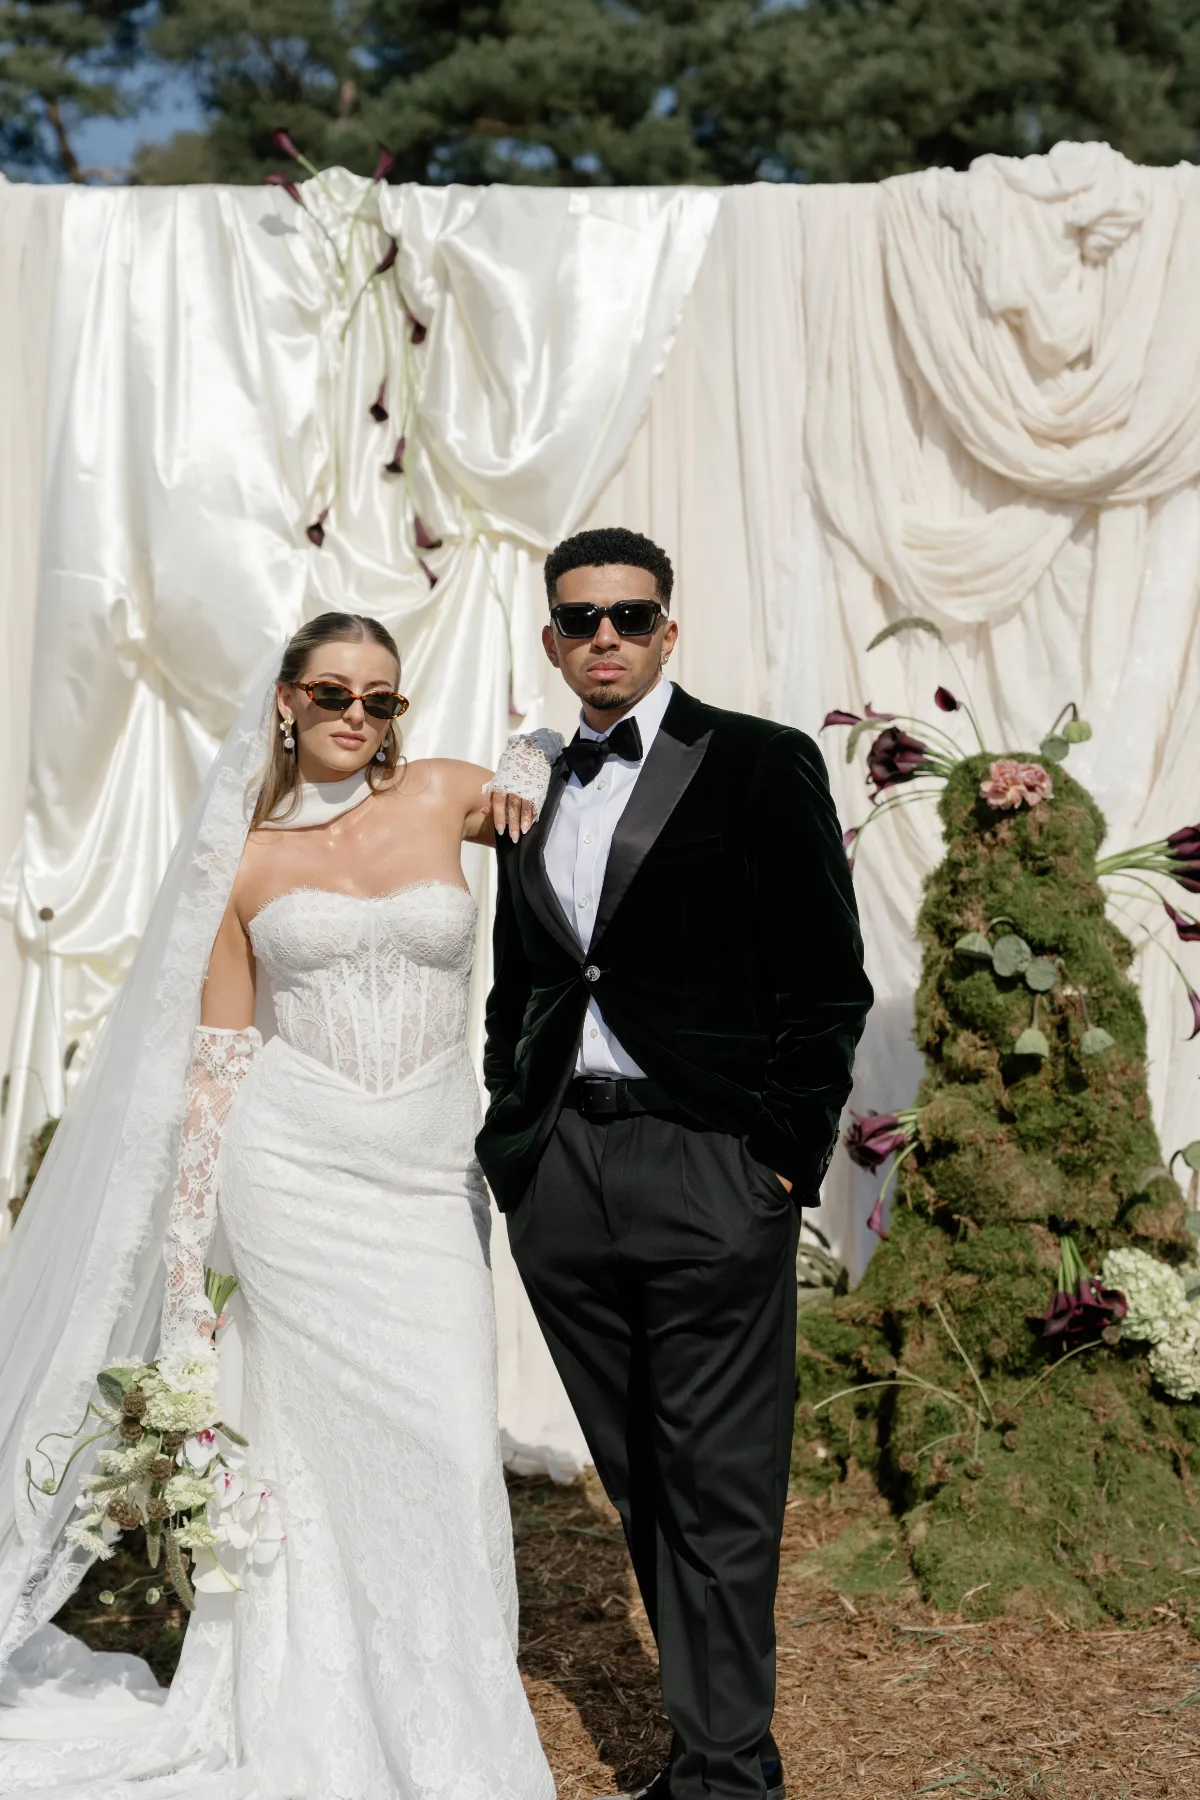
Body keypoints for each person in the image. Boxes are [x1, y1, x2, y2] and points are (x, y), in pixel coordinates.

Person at [0, 611, 558, 1800]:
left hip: (423, 1176)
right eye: (335, 693)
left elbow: (548, 746)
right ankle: (324, 1713)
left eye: (382, 698)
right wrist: (191, 1270)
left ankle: (451, 1728)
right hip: (290, 1176)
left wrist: (533, 755)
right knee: (311, 1468)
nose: (359, 715)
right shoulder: (242, 859)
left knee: (456, 1452)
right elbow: (216, 1062)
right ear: (287, 703)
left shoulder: (444, 796)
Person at [477, 529, 874, 1800]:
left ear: (668, 630)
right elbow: (526, 981)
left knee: (720, 1474)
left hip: (707, 1164)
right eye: (582, 619)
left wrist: (776, 1160)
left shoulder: (760, 763)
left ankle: (725, 1768)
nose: (606, 637)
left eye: (630, 616)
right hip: (563, 1174)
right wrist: (511, 1135)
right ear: (552, 639)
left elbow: (827, 985)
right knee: (642, 1467)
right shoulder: (533, 782)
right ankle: (712, 1743)